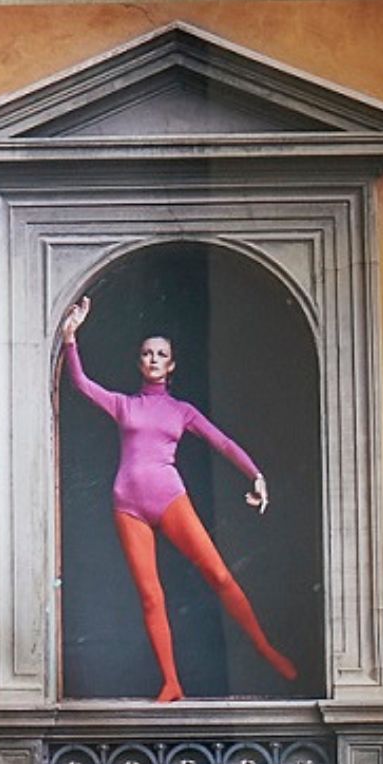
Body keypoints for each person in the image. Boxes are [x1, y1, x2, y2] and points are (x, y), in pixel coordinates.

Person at [60, 296, 301, 700]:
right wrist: (70, 338)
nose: (153, 359)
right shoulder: (124, 405)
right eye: (147, 353)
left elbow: (221, 442)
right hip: (127, 504)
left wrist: (256, 475)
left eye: (161, 355)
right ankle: (172, 682)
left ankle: (263, 646)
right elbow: (81, 384)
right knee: (152, 596)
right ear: (140, 362)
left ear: (171, 366)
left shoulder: (181, 411)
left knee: (220, 575)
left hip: (169, 498)